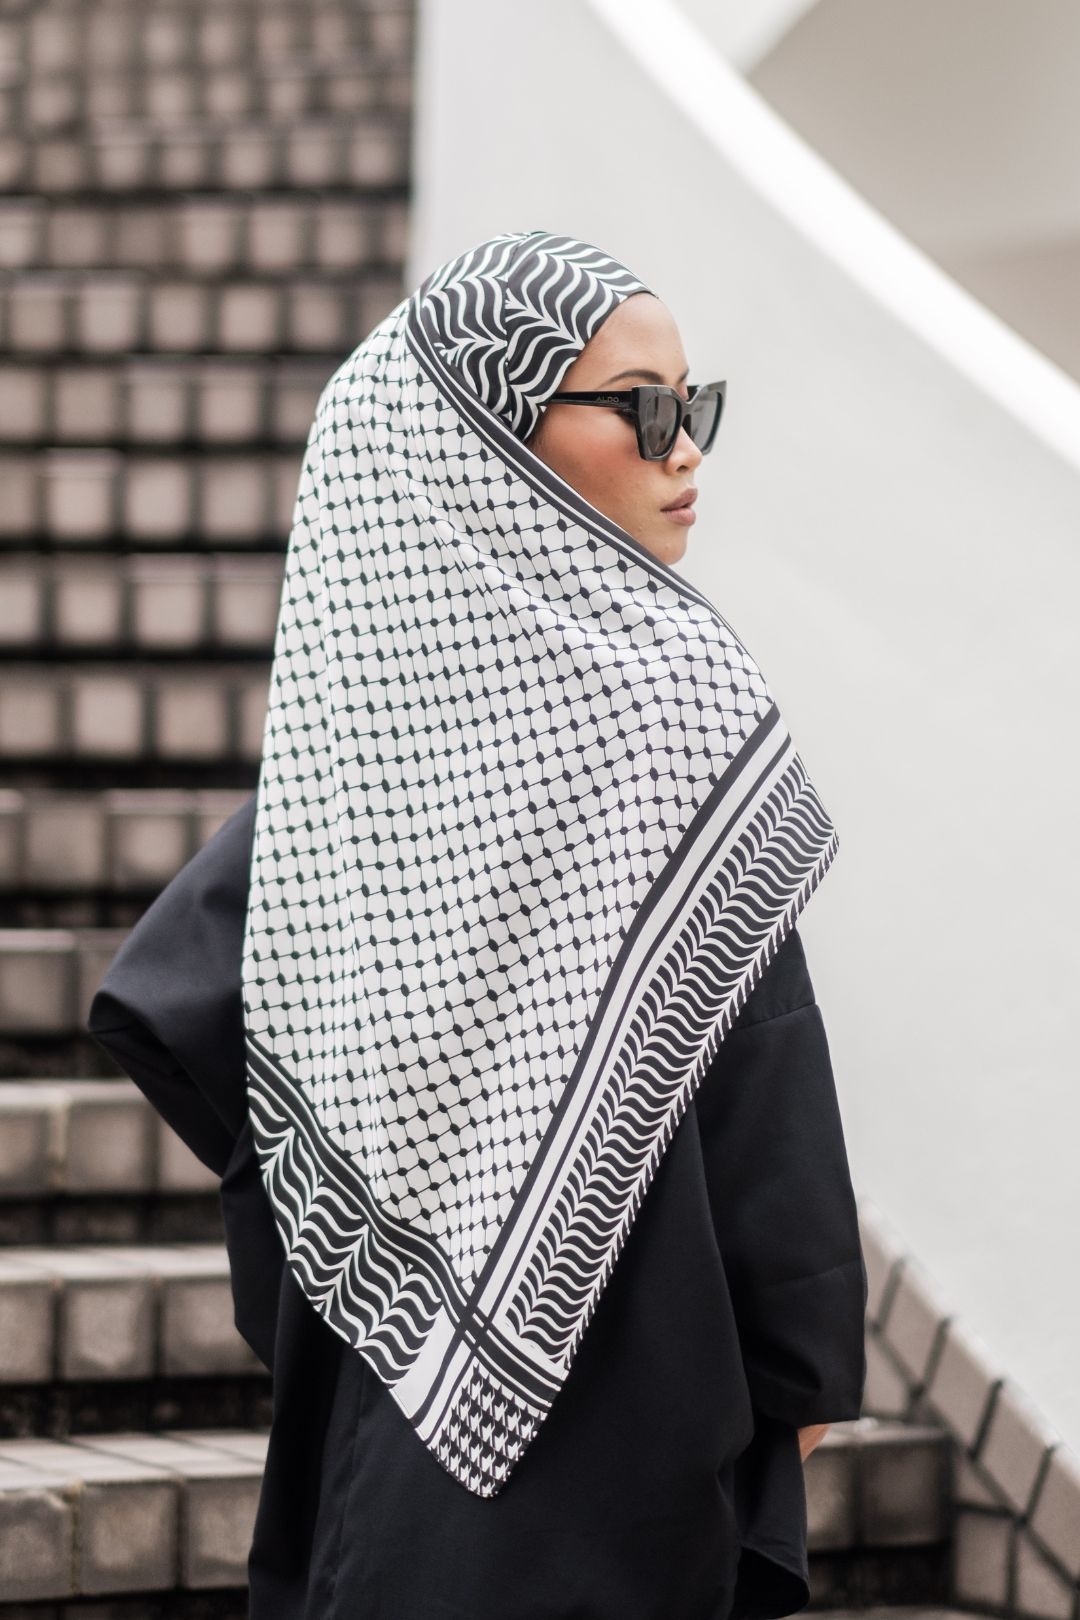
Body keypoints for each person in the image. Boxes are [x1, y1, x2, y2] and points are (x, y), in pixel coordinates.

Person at [88, 230, 867, 1620]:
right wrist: (799, 1374)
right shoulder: (660, 704)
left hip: (386, 1400)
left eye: (695, 405)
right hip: (625, 1399)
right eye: (643, 409)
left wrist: (353, 1214)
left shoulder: (374, 720)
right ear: (486, 436)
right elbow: (770, 1086)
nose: (686, 448)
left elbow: (180, 999)